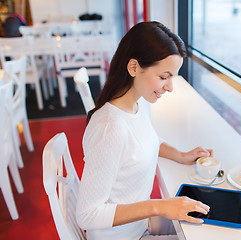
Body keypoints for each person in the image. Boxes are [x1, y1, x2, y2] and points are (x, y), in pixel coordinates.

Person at [76, 21, 212, 240]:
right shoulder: (111, 128)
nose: (170, 87)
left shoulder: (140, 103)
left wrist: (181, 155)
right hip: (122, 236)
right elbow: (87, 215)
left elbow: (147, 138)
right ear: (133, 68)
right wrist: (158, 207)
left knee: (208, 222)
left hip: (139, 225)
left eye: (172, 77)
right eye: (163, 77)